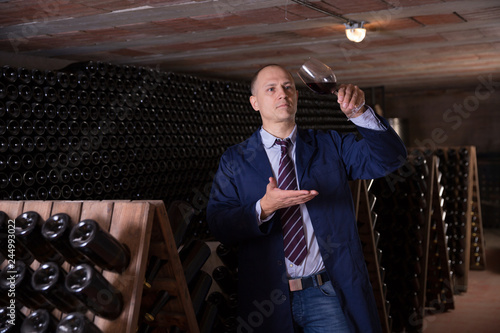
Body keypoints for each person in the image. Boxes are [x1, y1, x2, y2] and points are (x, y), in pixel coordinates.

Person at [207, 64, 406, 333]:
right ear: (255, 103)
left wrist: (359, 114)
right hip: (267, 299)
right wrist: (262, 209)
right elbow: (219, 223)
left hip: (328, 293)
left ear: (297, 96)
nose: (283, 94)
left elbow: (390, 159)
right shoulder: (235, 160)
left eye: (288, 87)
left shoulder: (330, 145)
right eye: (271, 89)